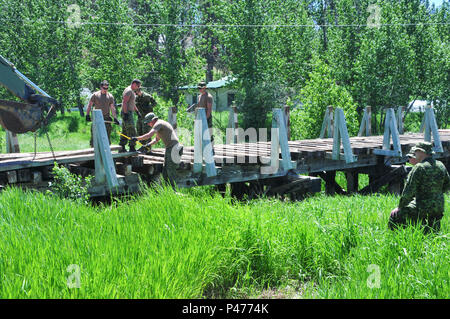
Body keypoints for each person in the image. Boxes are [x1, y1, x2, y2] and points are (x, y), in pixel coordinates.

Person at [389, 142, 450, 232]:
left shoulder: (419, 167)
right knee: (432, 231)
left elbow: (408, 192)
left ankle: (397, 237)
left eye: (416, 151)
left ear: (422, 152)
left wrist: (400, 207)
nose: (415, 154)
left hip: (422, 207)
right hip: (438, 208)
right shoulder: (440, 165)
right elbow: (447, 185)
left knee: (396, 215)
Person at [131, 112, 183, 186]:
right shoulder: (160, 125)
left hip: (174, 149)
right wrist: (147, 145)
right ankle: (167, 190)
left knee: (171, 171)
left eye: (149, 122)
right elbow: (156, 139)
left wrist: (136, 138)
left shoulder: (158, 124)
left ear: (153, 120)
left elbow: (149, 135)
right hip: (171, 149)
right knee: (165, 171)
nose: (148, 124)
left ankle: (174, 190)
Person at [85, 80, 119, 147]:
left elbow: (112, 108)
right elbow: (89, 105)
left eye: (107, 88)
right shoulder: (95, 95)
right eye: (104, 88)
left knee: (107, 135)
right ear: (101, 87)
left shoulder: (110, 96)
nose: (105, 89)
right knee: (95, 135)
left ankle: (107, 150)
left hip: (106, 118)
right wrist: (87, 115)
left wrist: (115, 118)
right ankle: (93, 150)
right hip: (97, 118)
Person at [119, 79, 141, 152]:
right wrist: (125, 113)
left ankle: (122, 147)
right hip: (127, 112)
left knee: (125, 130)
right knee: (132, 130)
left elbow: (132, 103)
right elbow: (124, 102)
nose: (138, 87)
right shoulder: (128, 91)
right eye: (137, 86)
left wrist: (137, 111)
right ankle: (132, 147)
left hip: (129, 112)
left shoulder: (131, 91)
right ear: (133, 84)